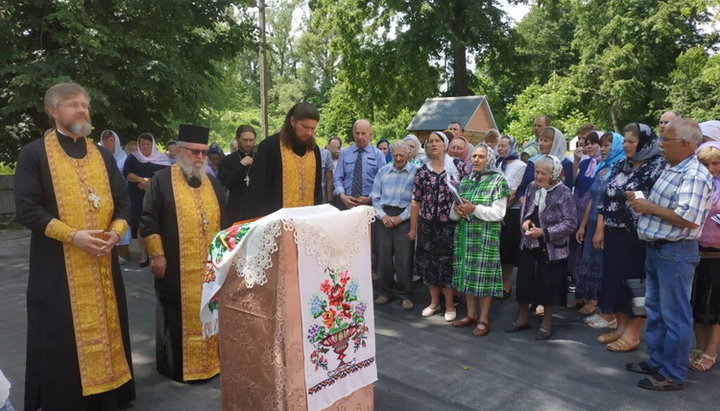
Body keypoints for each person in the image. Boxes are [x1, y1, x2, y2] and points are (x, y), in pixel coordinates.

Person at [14, 82, 135, 409]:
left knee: (110, 331)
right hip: (57, 266)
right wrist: (74, 236)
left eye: (85, 104)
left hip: (103, 264)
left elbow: (123, 202)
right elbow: (27, 209)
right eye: (73, 105)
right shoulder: (34, 154)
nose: (82, 110)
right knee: (61, 336)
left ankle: (109, 395)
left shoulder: (103, 155)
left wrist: (115, 232)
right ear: (53, 111)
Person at [626, 119, 712, 391]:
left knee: (674, 315)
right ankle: (658, 361)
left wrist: (649, 206)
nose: (661, 145)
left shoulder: (695, 175)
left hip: (675, 252)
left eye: (667, 140)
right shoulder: (673, 168)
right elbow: (665, 208)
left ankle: (673, 374)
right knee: (656, 311)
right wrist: (642, 204)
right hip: (658, 250)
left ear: (686, 144)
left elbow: (689, 218)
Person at [140, 124, 229, 383]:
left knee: (209, 311)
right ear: (180, 151)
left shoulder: (212, 182)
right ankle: (176, 367)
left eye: (203, 152)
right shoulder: (161, 180)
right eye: (194, 152)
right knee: (175, 313)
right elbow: (149, 220)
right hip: (175, 265)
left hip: (209, 268)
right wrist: (157, 255)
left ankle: (211, 362)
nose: (200, 157)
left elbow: (225, 223)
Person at [590, 123, 666, 346]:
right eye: (624, 141)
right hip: (614, 233)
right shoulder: (622, 164)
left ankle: (632, 334)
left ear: (644, 142)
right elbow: (605, 198)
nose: (626, 145)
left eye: (631, 141)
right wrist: (600, 228)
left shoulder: (657, 166)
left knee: (635, 284)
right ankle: (621, 328)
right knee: (614, 282)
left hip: (637, 236)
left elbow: (657, 201)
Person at [506, 155, 577, 340]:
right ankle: (522, 318)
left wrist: (544, 232)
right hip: (530, 241)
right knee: (524, 280)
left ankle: (547, 322)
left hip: (551, 246)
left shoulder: (564, 192)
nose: (538, 176)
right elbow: (526, 210)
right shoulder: (531, 187)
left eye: (543, 173)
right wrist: (526, 222)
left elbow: (570, 223)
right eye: (536, 171)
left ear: (553, 173)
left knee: (548, 284)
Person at [408, 131, 468, 322]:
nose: (433, 144)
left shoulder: (458, 166)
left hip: (449, 226)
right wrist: (413, 228)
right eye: (430, 142)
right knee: (428, 265)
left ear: (445, 145)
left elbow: (469, 191)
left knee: (446, 266)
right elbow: (416, 201)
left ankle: (450, 305)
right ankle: (434, 303)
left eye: (437, 141)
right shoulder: (422, 171)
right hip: (427, 226)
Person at [450, 144, 509, 336]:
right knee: (467, 274)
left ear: (489, 159)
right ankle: (471, 314)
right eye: (474, 156)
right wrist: (457, 210)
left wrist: (474, 209)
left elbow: (499, 213)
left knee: (484, 278)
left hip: (485, 237)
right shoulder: (466, 180)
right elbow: (454, 215)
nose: (475, 159)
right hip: (465, 236)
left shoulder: (498, 181)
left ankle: (483, 319)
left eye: (481, 157)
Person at [574, 132, 625, 316]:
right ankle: (586, 295)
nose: (603, 149)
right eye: (602, 145)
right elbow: (592, 199)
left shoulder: (620, 170)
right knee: (587, 259)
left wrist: (599, 229)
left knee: (600, 263)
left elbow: (609, 202)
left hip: (607, 224)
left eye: (607, 145)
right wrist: (583, 225)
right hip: (593, 222)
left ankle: (598, 301)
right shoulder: (602, 167)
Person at [248, 102, 323, 217]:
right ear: (293, 121)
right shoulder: (269, 146)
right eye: (305, 127)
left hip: (308, 219)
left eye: (313, 128)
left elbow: (317, 191)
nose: (309, 133)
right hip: (276, 220)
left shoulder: (314, 150)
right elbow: (258, 190)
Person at [371, 141, 418, 311]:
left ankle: (405, 294)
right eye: (395, 155)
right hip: (384, 215)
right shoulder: (383, 171)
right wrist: (383, 216)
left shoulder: (415, 172)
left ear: (408, 155)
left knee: (404, 258)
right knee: (384, 257)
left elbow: (416, 201)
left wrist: (400, 218)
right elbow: (375, 197)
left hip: (404, 218)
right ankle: (385, 291)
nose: (398, 158)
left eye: (402, 155)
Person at [689, 140, 720, 372]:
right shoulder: (696, 183)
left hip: (717, 255)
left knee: (714, 305)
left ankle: (711, 350)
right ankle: (699, 346)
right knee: (696, 301)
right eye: (706, 164)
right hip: (695, 250)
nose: (712, 168)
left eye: (716, 163)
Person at [123, 132, 171, 266]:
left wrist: (150, 184)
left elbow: (166, 176)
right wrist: (141, 180)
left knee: (158, 223)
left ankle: (156, 254)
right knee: (141, 224)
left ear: (153, 144)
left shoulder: (161, 158)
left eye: (148, 144)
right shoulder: (133, 158)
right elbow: (127, 174)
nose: (145, 147)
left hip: (157, 195)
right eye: (142, 144)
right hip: (137, 196)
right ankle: (143, 255)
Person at [567, 130, 602, 310]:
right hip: (578, 209)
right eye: (587, 142)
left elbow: (595, 195)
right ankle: (580, 294)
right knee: (577, 255)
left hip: (594, 213)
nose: (589, 146)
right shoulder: (586, 162)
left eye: (593, 143)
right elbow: (573, 182)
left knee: (592, 256)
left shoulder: (604, 165)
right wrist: (576, 162)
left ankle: (593, 298)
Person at [496, 135, 526, 297]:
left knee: (507, 250)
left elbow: (514, 192)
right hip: (493, 212)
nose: (500, 148)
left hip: (509, 212)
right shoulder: (496, 163)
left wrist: (499, 210)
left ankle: (506, 285)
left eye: (504, 146)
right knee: (496, 248)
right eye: (499, 145)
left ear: (512, 147)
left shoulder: (520, 165)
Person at [333, 119, 386, 210]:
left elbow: (383, 181)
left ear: (370, 135)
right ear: (353, 133)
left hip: (370, 205)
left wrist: (370, 198)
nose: (360, 137)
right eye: (357, 133)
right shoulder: (345, 153)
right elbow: (337, 177)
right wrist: (342, 196)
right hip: (346, 203)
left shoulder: (378, 155)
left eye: (363, 133)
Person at [100, 129, 131, 264]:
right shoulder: (98, 155)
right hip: (103, 194)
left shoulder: (123, 157)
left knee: (119, 219)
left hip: (120, 193)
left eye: (111, 140)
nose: (108, 143)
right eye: (105, 140)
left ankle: (121, 252)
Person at [219, 125, 257, 223]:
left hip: (256, 208)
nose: (248, 143)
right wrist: (241, 166)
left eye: (251, 140)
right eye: (245, 140)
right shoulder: (228, 160)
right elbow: (227, 183)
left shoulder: (260, 158)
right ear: (237, 139)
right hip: (236, 208)